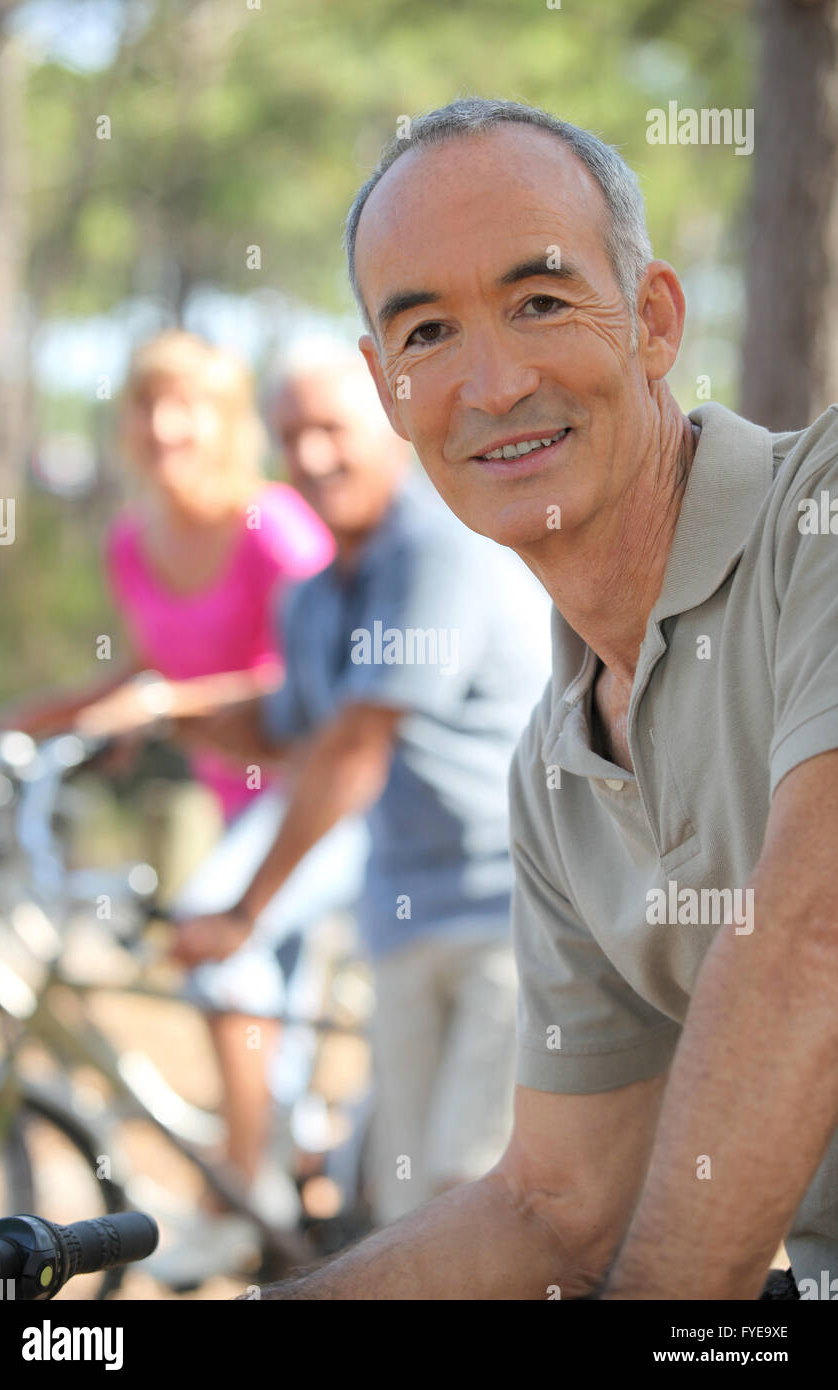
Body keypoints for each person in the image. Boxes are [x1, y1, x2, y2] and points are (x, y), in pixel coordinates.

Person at [239, 97, 838, 1301]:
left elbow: (809, 934)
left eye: (541, 301)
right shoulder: (553, 768)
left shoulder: (818, 516)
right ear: (389, 389)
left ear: (654, 320)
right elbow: (551, 1204)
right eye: (425, 334)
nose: (492, 381)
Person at [0, 330, 350, 1281]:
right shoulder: (130, 544)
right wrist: (18, 720)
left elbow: (320, 678)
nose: (162, 424)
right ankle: (289, 1190)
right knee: (258, 996)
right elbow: (151, 667)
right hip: (234, 799)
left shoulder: (273, 528)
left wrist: (168, 707)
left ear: (227, 422)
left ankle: (243, 1194)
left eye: (186, 403)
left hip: (320, 790)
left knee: (225, 959)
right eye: (146, 404)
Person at [172, 338, 554, 1232]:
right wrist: (166, 716)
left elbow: (351, 746)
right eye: (291, 436)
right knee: (407, 1207)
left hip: (518, 916)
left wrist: (242, 913)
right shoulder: (310, 597)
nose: (311, 456)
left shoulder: (440, 549)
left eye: (332, 430)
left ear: (389, 426)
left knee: (474, 1194)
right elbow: (284, 727)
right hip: (402, 921)